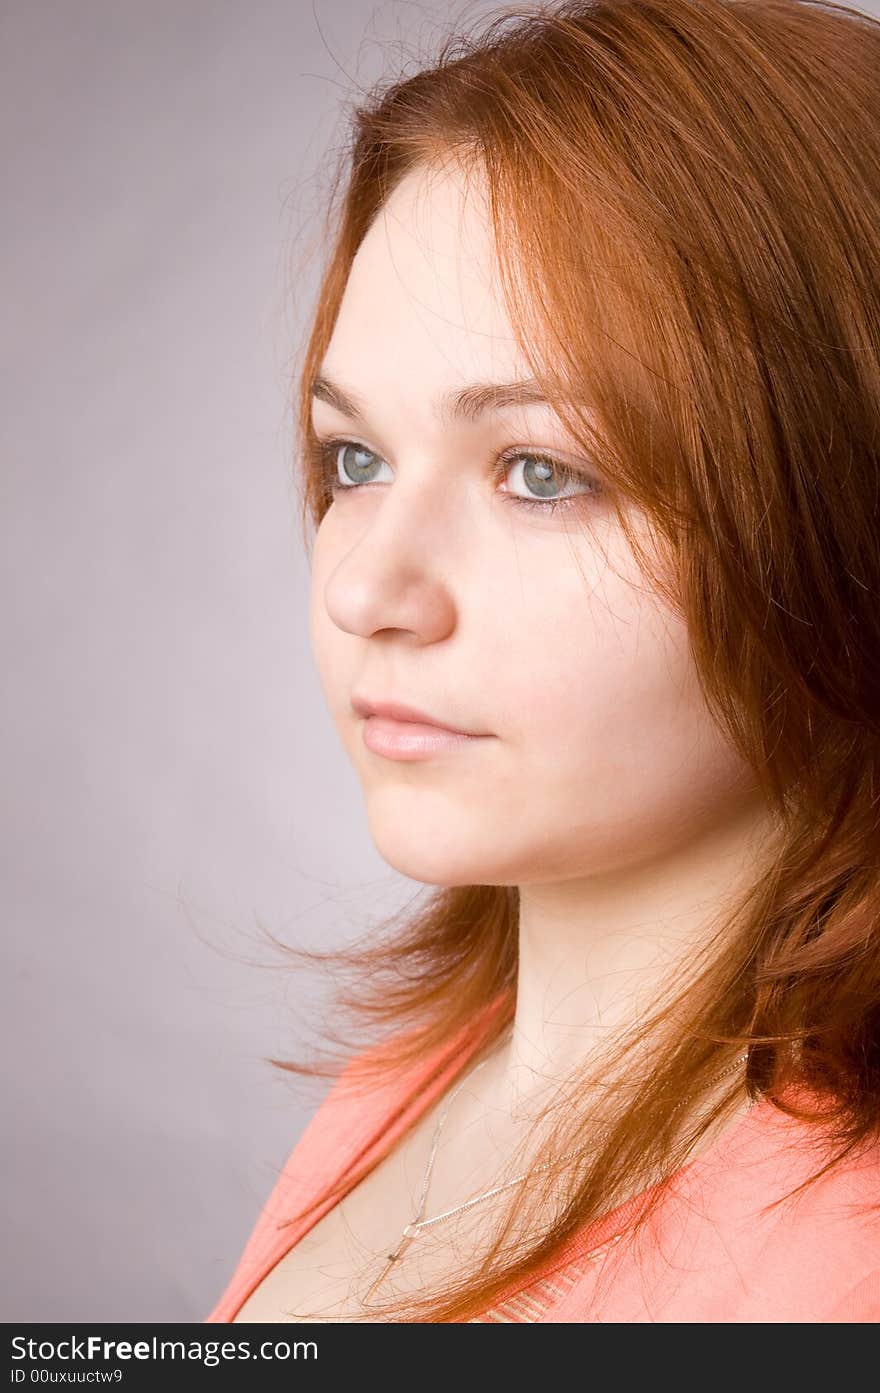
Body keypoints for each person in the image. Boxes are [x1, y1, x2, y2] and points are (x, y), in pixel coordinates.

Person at [205, 0, 880, 1322]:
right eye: (357, 459)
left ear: (839, 496)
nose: (362, 587)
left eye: (540, 470)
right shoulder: (411, 1077)